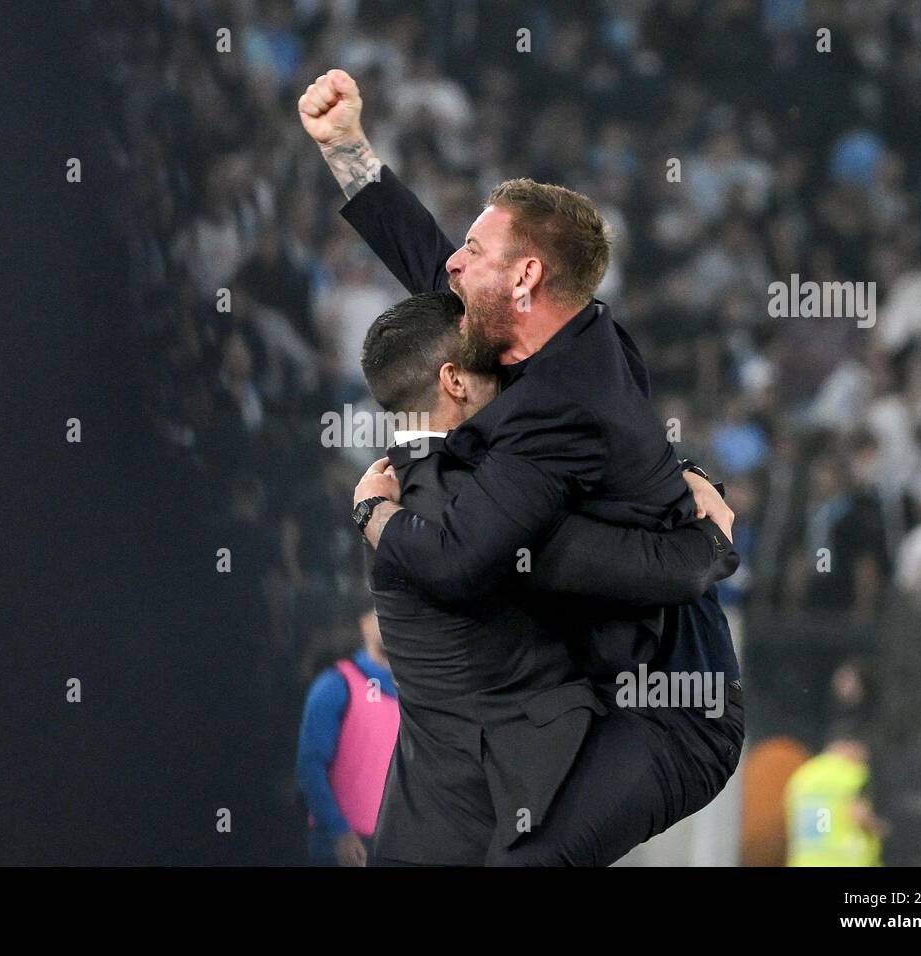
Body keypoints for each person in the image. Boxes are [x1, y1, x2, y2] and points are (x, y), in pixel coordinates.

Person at [301, 71, 746, 862]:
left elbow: (464, 558)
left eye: (474, 250)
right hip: (596, 687)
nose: (455, 266)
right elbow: (429, 268)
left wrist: (373, 512)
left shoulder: (559, 408)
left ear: (526, 276)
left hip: (671, 711)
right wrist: (348, 151)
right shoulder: (548, 337)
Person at [360, 292, 740, 865]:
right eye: (494, 358)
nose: (514, 368)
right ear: (456, 381)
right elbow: (656, 569)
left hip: (427, 815)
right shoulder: (480, 505)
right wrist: (712, 533)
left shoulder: (401, 489)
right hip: (510, 791)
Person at [295, 606, 399, 866]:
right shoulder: (335, 685)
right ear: (364, 624)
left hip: (393, 846)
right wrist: (339, 833)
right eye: (380, 612)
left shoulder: (414, 695)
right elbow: (310, 766)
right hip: (338, 847)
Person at [785, 729, 885, 867]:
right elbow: (857, 815)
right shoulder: (850, 773)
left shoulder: (804, 775)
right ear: (849, 746)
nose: (864, 758)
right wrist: (878, 828)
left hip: (806, 862)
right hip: (845, 861)